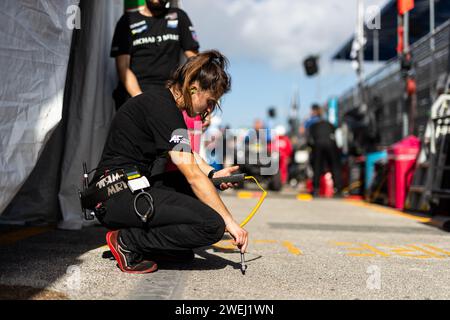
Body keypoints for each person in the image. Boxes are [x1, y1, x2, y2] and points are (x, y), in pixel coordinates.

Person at [90, 51, 248, 273]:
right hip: (114, 195)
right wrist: (230, 223)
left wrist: (213, 175)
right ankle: (127, 242)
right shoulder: (162, 107)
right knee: (212, 226)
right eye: (210, 102)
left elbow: (188, 154)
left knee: (181, 248)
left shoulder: (163, 104)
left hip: (121, 190)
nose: (210, 110)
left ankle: (146, 243)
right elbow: (192, 174)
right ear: (193, 88)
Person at [110, 0, 200, 110]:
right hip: (134, 98)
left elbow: (196, 62)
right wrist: (141, 99)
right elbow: (123, 68)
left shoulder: (179, 16)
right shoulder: (127, 20)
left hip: (169, 97)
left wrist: (197, 97)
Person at [306, 105, 342, 197]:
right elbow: (338, 136)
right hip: (331, 144)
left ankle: (315, 189)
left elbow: (309, 140)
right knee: (335, 166)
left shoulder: (312, 124)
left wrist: (311, 148)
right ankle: (338, 189)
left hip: (318, 144)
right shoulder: (330, 124)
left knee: (317, 166)